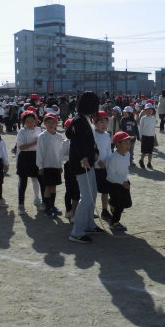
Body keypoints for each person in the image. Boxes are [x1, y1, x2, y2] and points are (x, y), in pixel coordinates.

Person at [66, 91, 103, 244]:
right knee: (86, 197)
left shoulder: (84, 119)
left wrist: (95, 151)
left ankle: (89, 224)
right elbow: (76, 142)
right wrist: (84, 157)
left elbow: (89, 141)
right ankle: (77, 232)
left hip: (88, 161)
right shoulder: (79, 121)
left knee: (92, 193)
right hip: (82, 163)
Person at [36, 113, 65, 216]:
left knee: (54, 187)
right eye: (48, 122)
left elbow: (60, 152)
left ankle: (52, 206)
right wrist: (40, 167)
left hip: (55, 165)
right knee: (48, 187)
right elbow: (40, 152)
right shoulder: (42, 136)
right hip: (46, 166)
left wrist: (60, 165)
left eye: (53, 122)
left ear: (56, 123)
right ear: (44, 123)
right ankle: (47, 207)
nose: (51, 124)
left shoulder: (59, 136)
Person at [15, 110, 43, 215]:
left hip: (36, 156)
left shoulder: (39, 129)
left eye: (32, 121)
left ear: (35, 121)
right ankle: (21, 204)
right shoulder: (22, 132)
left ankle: (37, 198)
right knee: (23, 181)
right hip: (24, 157)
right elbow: (21, 147)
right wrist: (34, 143)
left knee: (36, 179)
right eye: (27, 121)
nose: (30, 123)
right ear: (24, 122)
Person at [106, 131, 133, 232]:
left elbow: (125, 169)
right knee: (119, 205)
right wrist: (122, 182)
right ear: (118, 144)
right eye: (125, 143)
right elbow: (110, 175)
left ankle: (111, 202)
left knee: (127, 203)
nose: (128, 145)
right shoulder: (113, 158)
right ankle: (115, 223)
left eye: (129, 142)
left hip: (124, 182)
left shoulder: (127, 154)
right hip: (114, 184)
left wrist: (126, 181)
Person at [93, 111, 113, 221]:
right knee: (93, 191)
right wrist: (98, 161)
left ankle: (104, 211)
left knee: (105, 191)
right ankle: (90, 210)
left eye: (106, 121)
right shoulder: (92, 135)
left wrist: (107, 162)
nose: (104, 124)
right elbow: (91, 151)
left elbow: (109, 151)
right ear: (95, 123)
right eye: (101, 122)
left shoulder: (107, 135)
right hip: (94, 168)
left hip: (105, 168)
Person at [138, 103, 157, 169]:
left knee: (150, 152)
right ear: (145, 111)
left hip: (151, 137)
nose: (148, 112)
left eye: (150, 110)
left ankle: (149, 163)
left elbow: (153, 128)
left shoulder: (153, 118)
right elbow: (140, 128)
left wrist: (153, 136)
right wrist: (140, 137)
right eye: (147, 110)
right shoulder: (143, 118)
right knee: (144, 151)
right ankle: (141, 160)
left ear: (152, 111)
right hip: (144, 136)